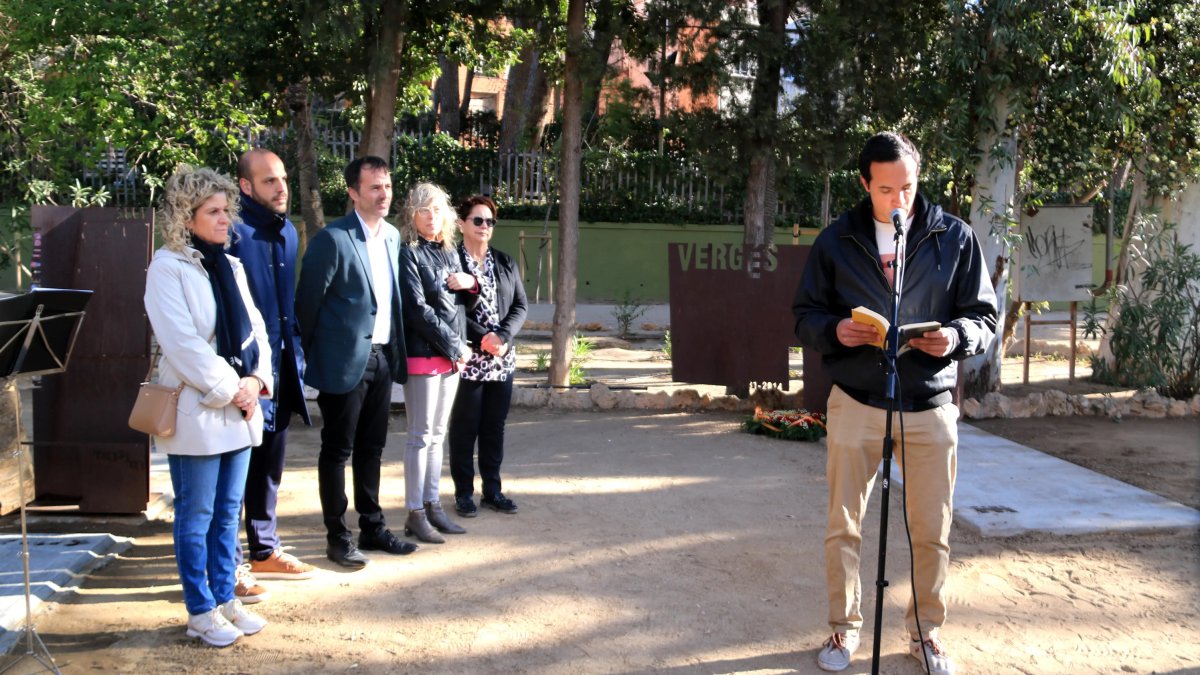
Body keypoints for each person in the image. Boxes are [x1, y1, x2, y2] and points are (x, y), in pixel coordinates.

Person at [792, 132, 997, 675]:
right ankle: (844, 628)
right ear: (865, 184)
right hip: (858, 400)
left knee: (932, 527)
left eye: (907, 187)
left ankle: (925, 634)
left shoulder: (954, 237)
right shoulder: (837, 241)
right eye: (886, 190)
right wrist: (837, 330)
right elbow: (804, 317)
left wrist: (954, 338)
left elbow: (984, 317)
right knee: (845, 524)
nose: (899, 200)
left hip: (929, 405)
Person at [143, 166, 273, 646]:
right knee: (195, 516)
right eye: (213, 212)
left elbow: (256, 330)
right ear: (186, 215)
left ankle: (224, 599)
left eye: (227, 210)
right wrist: (233, 388)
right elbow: (181, 344)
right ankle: (199, 609)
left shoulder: (231, 265)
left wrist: (257, 379)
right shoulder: (167, 267)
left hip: (237, 409)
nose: (225, 220)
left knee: (227, 514)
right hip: (199, 409)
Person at [295, 156, 415, 569]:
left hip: (381, 358)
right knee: (337, 450)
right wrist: (319, 358)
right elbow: (307, 306)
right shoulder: (333, 239)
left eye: (387, 186)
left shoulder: (393, 237)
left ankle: (373, 526)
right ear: (353, 193)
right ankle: (337, 536)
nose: (384, 195)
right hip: (344, 363)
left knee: (373, 448)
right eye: (374, 188)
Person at [227, 149, 315, 602]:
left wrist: (295, 356)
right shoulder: (233, 232)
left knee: (270, 466)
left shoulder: (289, 234)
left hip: (281, 368)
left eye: (283, 178)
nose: (281, 187)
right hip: (243, 375)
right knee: (237, 470)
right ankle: (233, 563)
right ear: (245, 186)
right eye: (268, 181)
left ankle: (264, 549)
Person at [397, 182, 477, 543]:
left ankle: (432, 505)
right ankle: (414, 511)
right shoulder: (407, 252)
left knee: (438, 435)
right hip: (423, 353)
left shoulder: (450, 251)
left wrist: (470, 282)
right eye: (424, 210)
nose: (432, 216)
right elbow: (416, 310)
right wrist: (454, 346)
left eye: (437, 209)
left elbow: (462, 304)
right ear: (411, 215)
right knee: (420, 435)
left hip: (450, 356)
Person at [447, 195, 527, 517]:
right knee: (466, 428)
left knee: (495, 427)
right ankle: (464, 493)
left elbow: (520, 306)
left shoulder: (505, 262)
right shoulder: (451, 262)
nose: (484, 226)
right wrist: (485, 338)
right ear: (462, 224)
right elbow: (450, 312)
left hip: (502, 359)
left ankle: (492, 490)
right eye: (477, 220)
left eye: (489, 221)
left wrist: (502, 337)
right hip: (469, 360)